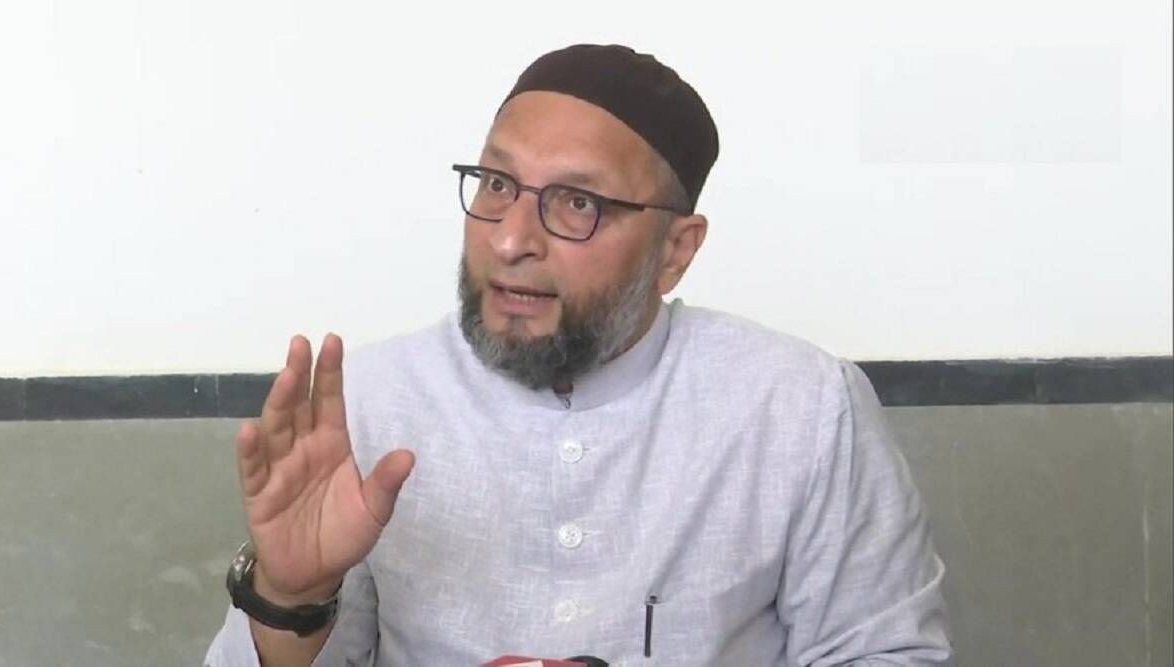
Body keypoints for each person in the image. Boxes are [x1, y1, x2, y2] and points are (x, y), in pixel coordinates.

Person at [205, 44, 952, 666]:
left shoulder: (801, 408)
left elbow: (887, 652)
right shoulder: (371, 403)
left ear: (676, 250)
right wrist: (290, 595)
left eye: (577, 203)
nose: (510, 239)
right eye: (498, 184)